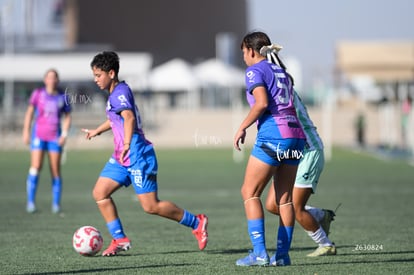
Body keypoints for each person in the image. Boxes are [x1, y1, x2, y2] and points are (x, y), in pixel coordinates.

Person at [83, 51, 208, 256]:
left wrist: (125, 144)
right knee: (100, 192)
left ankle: (197, 222)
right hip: (122, 156)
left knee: (151, 206)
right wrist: (97, 130)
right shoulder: (116, 93)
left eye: (98, 75)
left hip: (137, 155)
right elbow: (117, 118)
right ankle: (120, 239)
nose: (95, 79)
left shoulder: (120, 93)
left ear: (111, 73)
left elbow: (129, 118)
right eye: (94, 75)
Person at [233, 31, 306, 267]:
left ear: (251, 51)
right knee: (285, 200)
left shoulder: (255, 70)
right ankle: (282, 256)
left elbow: (262, 103)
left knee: (249, 193)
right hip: (296, 137)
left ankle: (260, 254)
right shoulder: (281, 71)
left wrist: (242, 127)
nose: (243, 57)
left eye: (243, 51)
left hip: (275, 136)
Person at [265, 90, 337, 258]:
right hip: (290, 153)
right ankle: (320, 215)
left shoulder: (282, 92)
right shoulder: (273, 92)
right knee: (273, 205)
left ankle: (326, 245)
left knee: (295, 208)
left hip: (308, 153)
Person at [22, 69, 71, 214]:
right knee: (36, 166)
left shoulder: (63, 96)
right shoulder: (38, 94)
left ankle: (56, 205)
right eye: (49, 77)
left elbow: (68, 117)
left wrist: (64, 134)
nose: (52, 80)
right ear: (45, 80)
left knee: (55, 170)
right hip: (38, 136)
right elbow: (30, 112)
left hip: (54, 137)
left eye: (54, 77)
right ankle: (30, 202)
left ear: (58, 80)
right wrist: (26, 130)